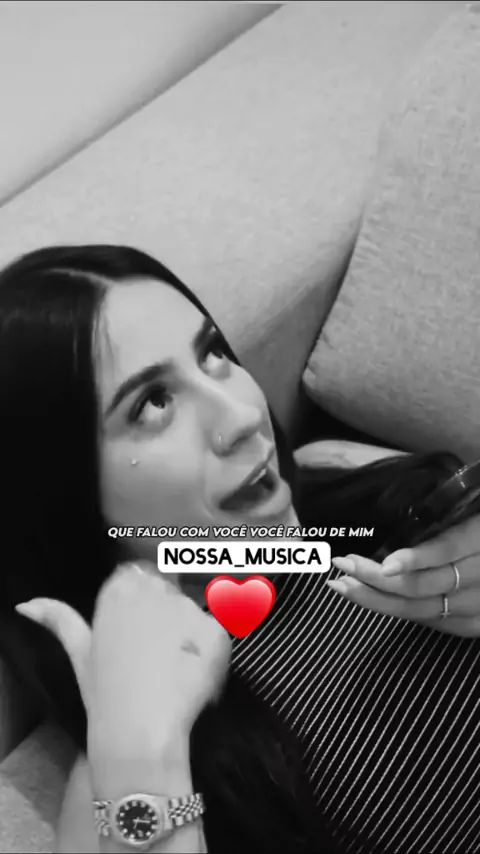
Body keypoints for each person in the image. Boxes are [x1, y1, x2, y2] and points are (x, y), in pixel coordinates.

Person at [0, 245, 479, 854]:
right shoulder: (122, 763)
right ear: (61, 494)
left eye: (213, 355)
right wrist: (141, 758)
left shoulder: (333, 476)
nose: (243, 414)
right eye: (153, 402)